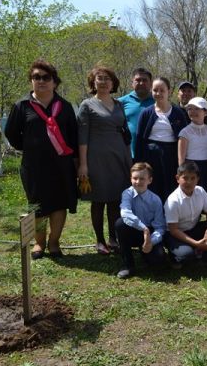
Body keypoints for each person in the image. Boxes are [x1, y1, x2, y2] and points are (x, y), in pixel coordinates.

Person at [4, 60, 78, 259]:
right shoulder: (21, 106)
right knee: (37, 205)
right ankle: (39, 243)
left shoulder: (65, 106)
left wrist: (77, 163)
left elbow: (73, 136)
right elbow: (11, 133)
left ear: (55, 82)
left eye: (46, 77)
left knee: (59, 203)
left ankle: (54, 242)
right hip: (34, 166)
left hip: (61, 165)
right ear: (31, 81)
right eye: (36, 77)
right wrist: (30, 147)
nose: (41, 81)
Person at [77, 66, 132, 255]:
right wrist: (83, 164)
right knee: (99, 200)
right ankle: (100, 240)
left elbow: (125, 133)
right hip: (96, 159)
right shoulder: (87, 105)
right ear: (93, 83)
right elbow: (82, 137)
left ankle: (113, 239)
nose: (103, 82)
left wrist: (128, 161)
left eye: (107, 78)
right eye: (99, 78)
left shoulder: (119, 105)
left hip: (118, 157)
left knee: (116, 200)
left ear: (113, 83)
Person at [164, 161, 207, 268]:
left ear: (198, 179)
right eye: (185, 178)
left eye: (193, 178)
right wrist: (196, 244)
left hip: (193, 229)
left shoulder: (200, 191)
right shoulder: (173, 201)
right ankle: (175, 257)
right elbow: (174, 230)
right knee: (186, 253)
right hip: (175, 235)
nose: (189, 182)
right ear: (177, 178)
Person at [134, 77, 188, 202]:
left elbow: (184, 138)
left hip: (171, 156)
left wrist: (183, 162)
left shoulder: (178, 113)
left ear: (169, 91)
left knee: (169, 188)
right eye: (155, 90)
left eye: (162, 90)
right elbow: (139, 139)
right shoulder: (146, 113)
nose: (158, 93)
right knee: (152, 188)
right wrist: (138, 163)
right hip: (150, 157)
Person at [115, 162, 167, 279]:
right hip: (133, 231)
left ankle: (145, 253)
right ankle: (128, 265)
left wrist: (151, 242)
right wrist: (143, 228)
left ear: (150, 180)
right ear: (130, 179)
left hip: (149, 235)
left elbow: (160, 227)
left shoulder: (155, 200)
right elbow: (125, 213)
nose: (138, 182)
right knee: (120, 224)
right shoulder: (127, 193)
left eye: (142, 178)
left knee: (158, 258)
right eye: (135, 178)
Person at [178, 97, 207, 203]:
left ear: (205, 112)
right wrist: (183, 175)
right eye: (190, 109)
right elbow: (181, 158)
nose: (193, 112)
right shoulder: (185, 132)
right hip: (190, 170)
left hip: (206, 169)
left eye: (197, 109)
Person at [118, 68, 154, 157]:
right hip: (128, 155)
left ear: (151, 83)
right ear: (132, 83)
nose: (141, 83)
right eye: (138, 80)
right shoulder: (120, 102)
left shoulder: (158, 102)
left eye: (145, 80)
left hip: (153, 154)